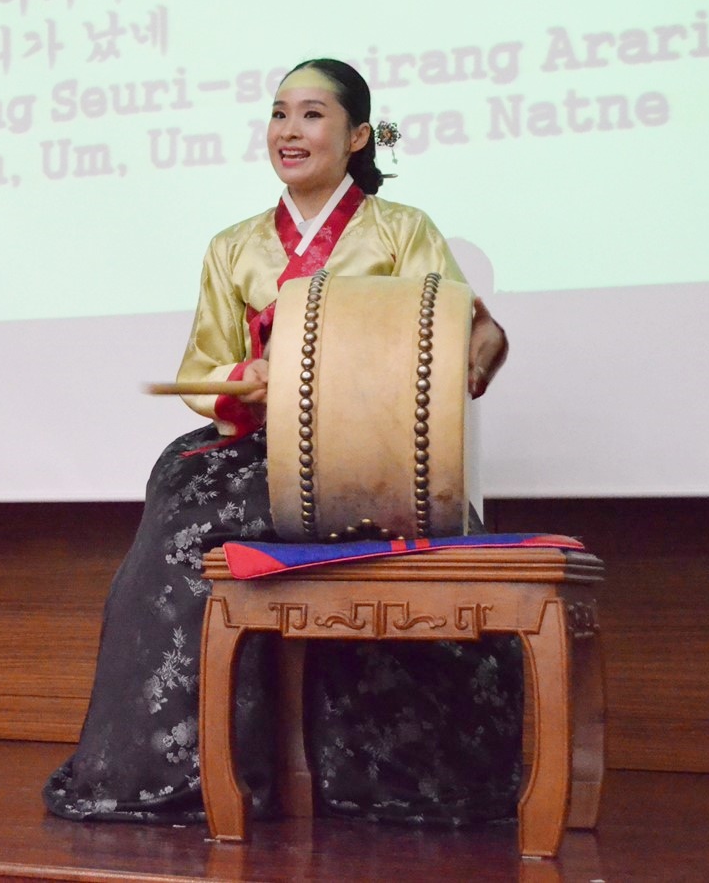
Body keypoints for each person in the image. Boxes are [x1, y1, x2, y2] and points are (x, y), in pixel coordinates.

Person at [44, 58, 516, 826]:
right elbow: (200, 370)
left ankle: (407, 782)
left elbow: (463, 334)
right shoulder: (234, 246)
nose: (289, 132)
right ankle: (184, 775)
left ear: (359, 135)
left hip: (370, 455)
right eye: (278, 114)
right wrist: (245, 374)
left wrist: (467, 343)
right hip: (256, 452)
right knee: (173, 540)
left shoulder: (403, 231)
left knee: (408, 543)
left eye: (312, 115)